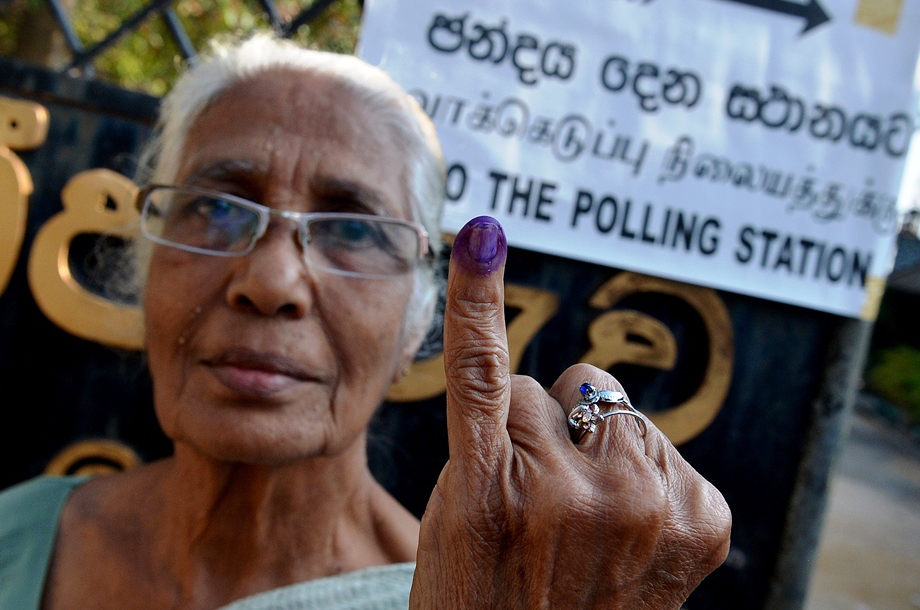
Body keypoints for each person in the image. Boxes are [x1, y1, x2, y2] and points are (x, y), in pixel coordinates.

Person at [0, 35, 731, 609]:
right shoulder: (18, 537)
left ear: (418, 319)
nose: (272, 281)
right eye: (219, 208)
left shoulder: (473, 600)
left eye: (352, 229)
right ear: (146, 268)